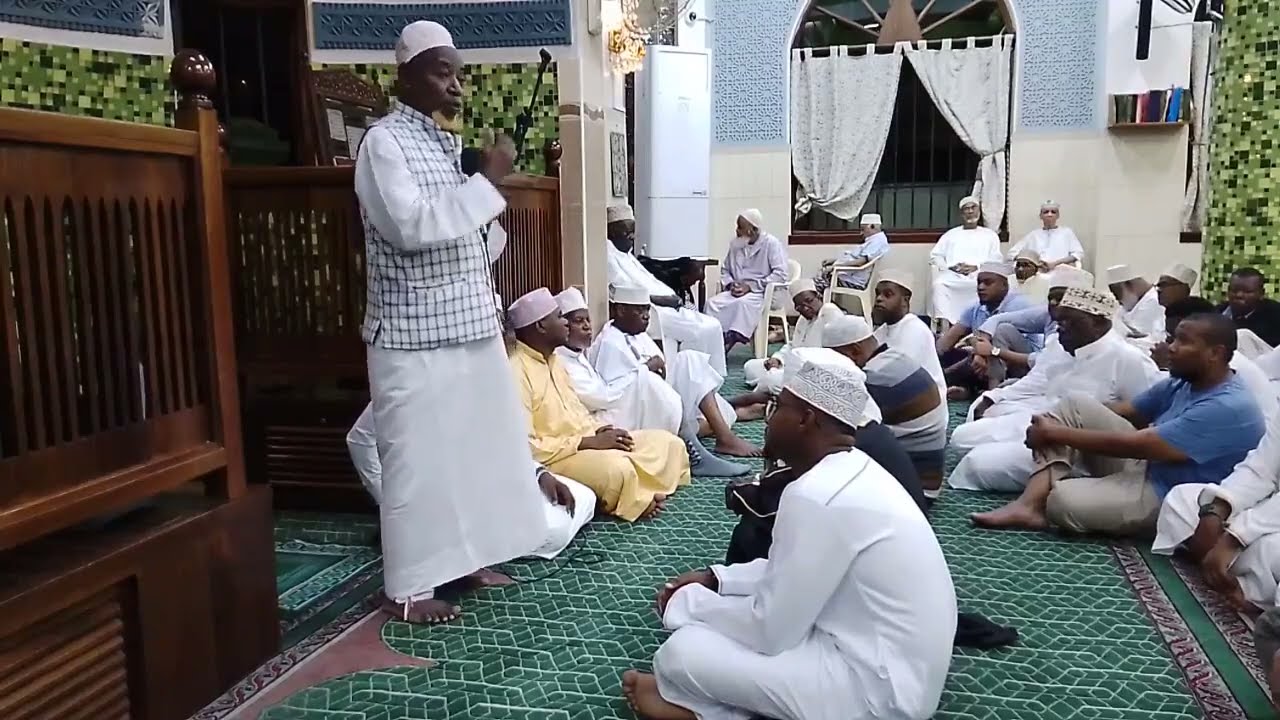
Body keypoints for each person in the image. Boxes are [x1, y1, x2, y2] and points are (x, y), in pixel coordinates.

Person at [620, 361, 956, 720]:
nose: (768, 419)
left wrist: (688, 604)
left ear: (806, 420)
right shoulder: (854, 467)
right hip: (892, 667)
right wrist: (717, 579)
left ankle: (704, 712)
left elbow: (770, 631)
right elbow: (793, 569)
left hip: (878, 693)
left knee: (682, 652)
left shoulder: (816, 494)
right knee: (723, 625)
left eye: (777, 407)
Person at [354, 20, 548, 624]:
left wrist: (486, 206)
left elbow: (467, 240)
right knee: (415, 460)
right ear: (405, 76)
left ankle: (471, 559)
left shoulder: (440, 144)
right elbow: (409, 229)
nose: (456, 85)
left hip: (468, 324)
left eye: (458, 73)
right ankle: (409, 588)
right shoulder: (383, 144)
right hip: (411, 335)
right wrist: (485, 181)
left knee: (474, 452)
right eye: (443, 72)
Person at [973, 312, 1265, 535]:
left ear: (1215, 353)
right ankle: (1028, 504)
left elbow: (1140, 445)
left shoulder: (1227, 406)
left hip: (1169, 494)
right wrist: (1052, 418)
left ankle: (1045, 500)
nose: (1171, 348)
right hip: (1148, 467)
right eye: (1174, 338)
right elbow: (1128, 412)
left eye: (1183, 342)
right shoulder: (1184, 382)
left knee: (1063, 501)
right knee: (1075, 402)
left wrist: (1056, 432)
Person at [948, 286, 1163, 493]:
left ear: (1098, 322)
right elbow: (1036, 383)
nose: (1060, 327)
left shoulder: (1129, 360)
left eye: (1069, 321)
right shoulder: (1062, 346)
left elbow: (1147, 419)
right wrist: (993, 396)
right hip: (1042, 422)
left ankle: (1082, 482)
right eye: (1059, 321)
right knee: (961, 438)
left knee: (978, 463)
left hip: (1084, 449)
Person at [509, 288, 691, 522]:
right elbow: (527, 447)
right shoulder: (517, 371)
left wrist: (598, 430)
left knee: (668, 443)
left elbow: (577, 411)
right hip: (557, 460)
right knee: (618, 470)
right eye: (559, 317)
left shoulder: (555, 362)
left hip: (586, 441)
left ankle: (638, 491)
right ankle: (633, 498)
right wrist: (586, 442)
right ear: (540, 326)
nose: (566, 323)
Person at [346, 402, 595, 567]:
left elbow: (497, 445)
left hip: (484, 486)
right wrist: (387, 504)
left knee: (584, 496)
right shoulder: (411, 380)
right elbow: (359, 439)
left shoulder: (480, 380)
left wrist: (540, 474)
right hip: (436, 499)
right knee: (552, 531)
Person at [593, 285, 759, 460]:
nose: (646, 316)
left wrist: (654, 369)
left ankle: (725, 420)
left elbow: (661, 368)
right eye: (639, 310)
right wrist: (647, 369)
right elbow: (613, 394)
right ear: (620, 310)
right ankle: (725, 433)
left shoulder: (636, 333)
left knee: (690, 360)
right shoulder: (609, 343)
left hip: (657, 398)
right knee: (707, 402)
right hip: (638, 411)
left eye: (647, 309)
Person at [825, 315, 949, 499]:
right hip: (923, 479)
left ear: (854, 352)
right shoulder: (894, 358)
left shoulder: (874, 377)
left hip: (912, 491)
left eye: (833, 357)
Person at [606, 202, 728, 374]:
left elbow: (650, 281)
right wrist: (665, 300)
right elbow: (628, 294)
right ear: (612, 232)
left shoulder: (626, 255)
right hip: (653, 311)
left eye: (633, 232)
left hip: (669, 307)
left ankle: (710, 381)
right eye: (627, 232)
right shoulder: (609, 256)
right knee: (706, 329)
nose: (632, 237)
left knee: (713, 325)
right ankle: (700, 382)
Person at [551, 287, 683, 436]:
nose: (587, 326)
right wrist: (644, 370)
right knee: (650, 386)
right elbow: (601, 397)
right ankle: (685, 436)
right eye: (579, 321)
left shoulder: (577, 354)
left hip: (608, 407)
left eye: (588, 320)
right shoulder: (562, 362)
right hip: (594, 421)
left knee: (682, 367)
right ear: (564, 327)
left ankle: (686, 435)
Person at [1150, 296, 1278, 424]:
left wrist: (1164, 366)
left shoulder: (1224, 367)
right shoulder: (1208, 362)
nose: (1171, 346)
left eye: (1180, 339)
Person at [936, 262, 1039, 396]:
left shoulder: (1019, 304)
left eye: (987, 283)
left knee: (999, 335)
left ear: (1004, 285)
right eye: (979, 283)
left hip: (1023, 365)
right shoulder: (976, 307)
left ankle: (985, 394)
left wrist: (981, 353)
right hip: (986, 361)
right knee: (951, 350)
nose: (981, 287)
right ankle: (963, 387)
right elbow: (945, 343)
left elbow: (1000, 345)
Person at [705, 209, 789, 351]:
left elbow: (781, 274)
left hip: (762, 292)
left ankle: (729, 340)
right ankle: (714, 339)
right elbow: (725, 270)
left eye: (740, 227)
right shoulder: (736, 244)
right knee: (712, 303)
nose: (737, 231)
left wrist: (750, 286)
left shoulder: (771, 244)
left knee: (743, 304)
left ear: (752, 230)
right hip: (737, 291)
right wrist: (731, 284)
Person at [742, 279, 843, 395]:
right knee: (751, 366)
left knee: (773, 380)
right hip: (792, 366)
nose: (805, 308)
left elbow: (833, 354)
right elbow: (793, 346)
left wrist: (788, 368)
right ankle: (772, 384)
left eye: (809, 301)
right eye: (799, 306)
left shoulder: (829, 312)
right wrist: (777, 359)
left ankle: (770, 384)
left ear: (818, 296)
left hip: (816, 372)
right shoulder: (803, 319)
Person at [929, 196, 1003, 324]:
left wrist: (977, 267)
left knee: (984, 286)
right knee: (939, 285)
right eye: (966, 209)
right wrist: (950, 267)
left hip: (979, 275)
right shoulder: (950, 234)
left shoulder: (990, 235)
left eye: (973, 208)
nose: (970, 211)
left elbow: (996, 258)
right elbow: (935, 255)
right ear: (961, 214)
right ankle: (944, 325)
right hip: (953, 276)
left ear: (979, 211)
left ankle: (981, 323)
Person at [871, 270, 946, 396]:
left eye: (887, 295)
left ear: (905, 301)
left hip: (925, 402)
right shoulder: (883, 330)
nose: (879, 299)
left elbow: (896, 375)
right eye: (878, 294)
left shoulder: (915, 330)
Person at [813, 213, 890, 294]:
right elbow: (855, 258)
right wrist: (834, 261)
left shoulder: (878, 241)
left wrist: (835, 267)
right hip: (845, 275)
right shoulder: (873, 240)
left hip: (852, 281)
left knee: (814, 285)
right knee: (817, 280)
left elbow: (861, 261)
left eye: (863, 229)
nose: (861, 233)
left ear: (872, 226)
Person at [1006, 200, 1085, 275]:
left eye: (1053, 212)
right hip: (1037, 274)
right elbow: (1012, 253)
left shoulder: (1067, 232)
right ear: (1041, 216)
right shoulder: (1034, 235)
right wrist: (1034, 263)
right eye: (1046, 212)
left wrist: (1055, 264)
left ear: (1058, 215)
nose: (1049, 214)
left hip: (1061, 273)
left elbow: (1078, 253)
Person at [1219, 267, 1280, 348]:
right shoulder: (1217, 313)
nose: (1239, 295)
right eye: (1234, 290)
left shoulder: (1275, 315)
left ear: (1261, 293)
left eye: (1247, 291)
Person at [1107, 264, 1164, 348]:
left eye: (1118, 294)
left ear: (1130, 285)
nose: (1118, 300)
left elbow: (1137, 334)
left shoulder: (1153, 301)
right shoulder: (1133, 302)